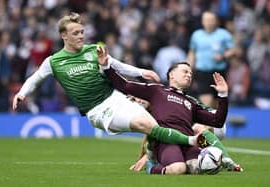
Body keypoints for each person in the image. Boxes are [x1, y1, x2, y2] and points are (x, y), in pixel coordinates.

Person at [12, 13, 205, 149]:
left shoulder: (92, 50)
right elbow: (35, 78)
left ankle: (165, 156)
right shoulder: (53, 61)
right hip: (97, 110)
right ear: (64, 36)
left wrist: (142, 72)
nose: (81, 36)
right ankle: (191, 141)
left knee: (153, 123)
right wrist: (22, 93)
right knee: (145, 125)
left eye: (82, 32)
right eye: (75, 33)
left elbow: (117, 65)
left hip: (115, 97)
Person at [100, 58, 243, 174]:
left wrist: (223, 95)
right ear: (171, 75)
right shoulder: (157, 91)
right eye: (185, 71)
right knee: (178, 169)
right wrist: (106, 66)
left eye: (191, 74)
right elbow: (124, 85)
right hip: (165, 142)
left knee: (200, 166)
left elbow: (217, 121)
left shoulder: (191, 102)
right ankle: (152, 166)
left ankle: (226, 159)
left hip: (189, 143)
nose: (189, 75)